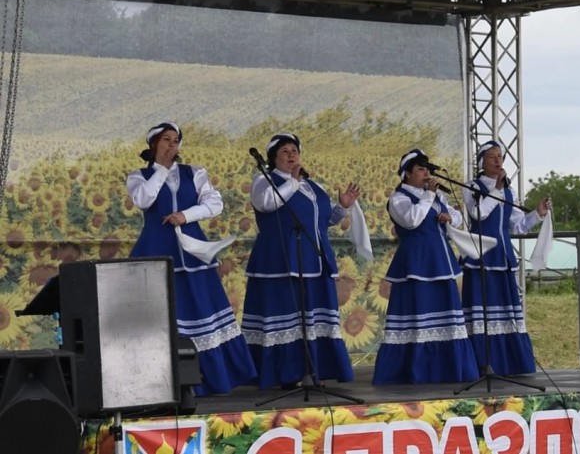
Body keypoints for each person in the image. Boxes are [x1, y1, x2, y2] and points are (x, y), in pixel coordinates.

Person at [126, 122, 256, 396]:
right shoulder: (139, 177)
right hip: (156, 249)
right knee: (162, 312)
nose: (172, 144)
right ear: (154, 144)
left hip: (193, 251)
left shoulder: (194, 173)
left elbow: (214, 203)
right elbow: (144, 200)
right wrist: (161, 169)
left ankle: (213, 378)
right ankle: (162, 382)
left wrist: (186, 216)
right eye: (166, 139)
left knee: (201, 306)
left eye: (176, 140)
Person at [242, 132, 359, 389]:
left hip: (314, 260)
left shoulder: (311, 185)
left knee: (314, 318)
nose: (291, 155)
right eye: (285, 151)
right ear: (273, 157)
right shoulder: (264, 181)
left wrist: (342, 208)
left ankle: (315, 370)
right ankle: (287, 373)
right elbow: (266, 204)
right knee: (287, 315)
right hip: (282, 261)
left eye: (294, 151)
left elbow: (322, 221)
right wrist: (293, 183)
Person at [372, 149, 479, 385]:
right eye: (421, 169)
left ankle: (448, 368)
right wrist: (429, 196)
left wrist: (449, 218)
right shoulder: (399, 198)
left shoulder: (435, 196)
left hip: (440, 260)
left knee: (447, 313)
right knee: (417, 314)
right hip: (415, 264)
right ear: (407, 174)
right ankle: (413, 369)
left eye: (428, 170)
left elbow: (457, 217)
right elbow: (412, 220)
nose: (426, 174)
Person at [460, 140, 550, 376]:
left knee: (505, 310)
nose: (497, 160)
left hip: (502, 256)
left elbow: (517, 225)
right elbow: (478, 213)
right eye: (492, 157)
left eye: (500, 156)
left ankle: (510, 362)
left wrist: (537, 214)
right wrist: (497, 189)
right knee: (481, 309)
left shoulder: (509, 190)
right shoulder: (472, 187)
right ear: (482, 161)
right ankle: (481, 362)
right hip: (481, 256)